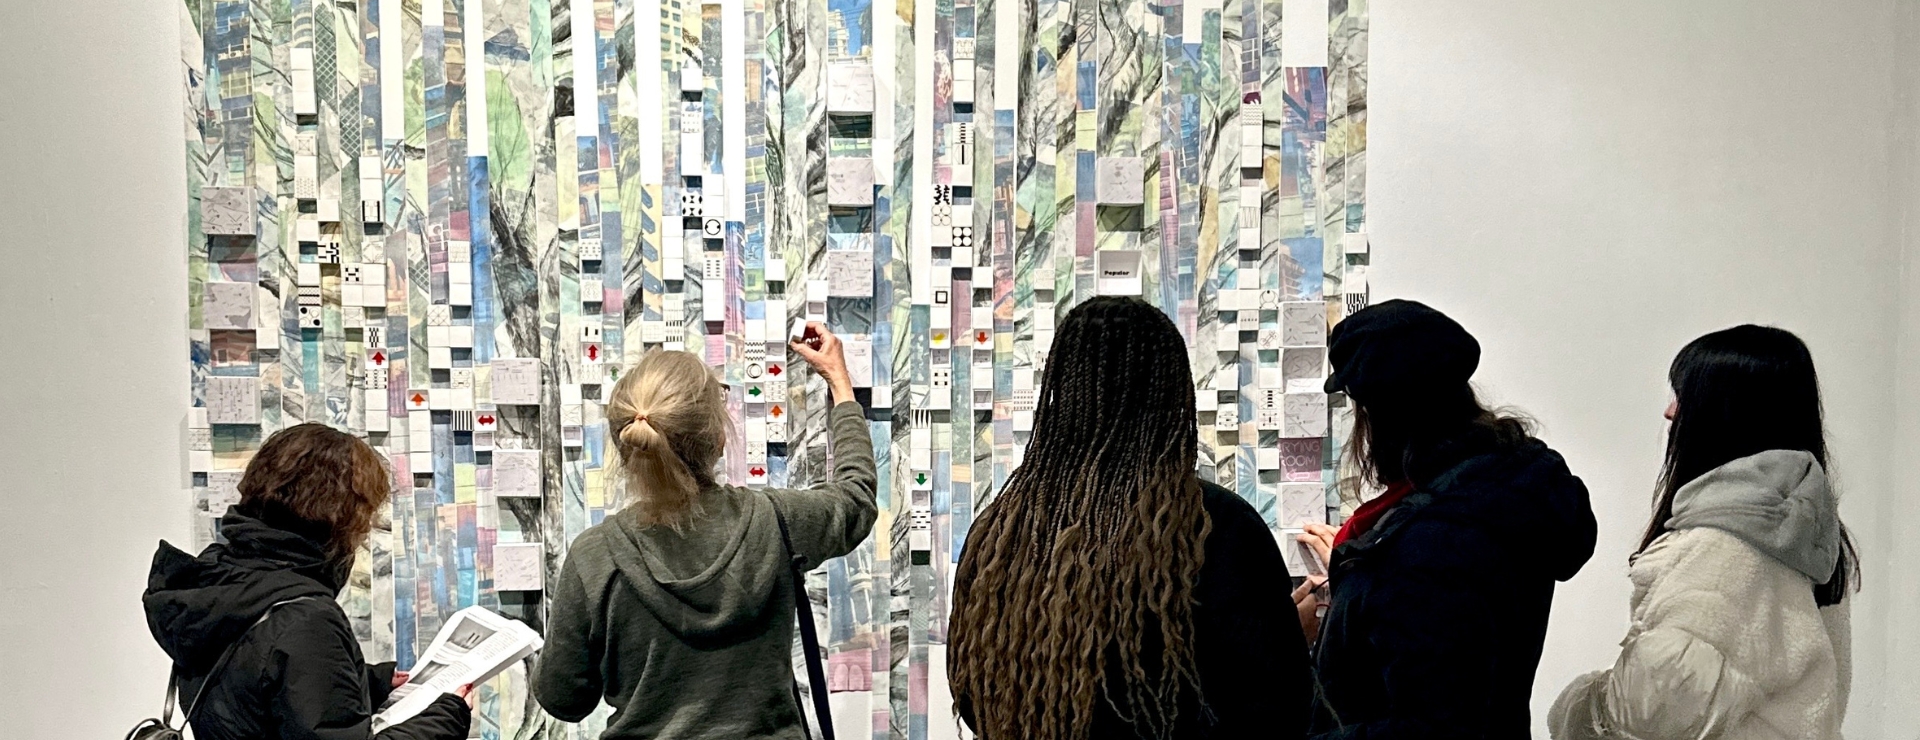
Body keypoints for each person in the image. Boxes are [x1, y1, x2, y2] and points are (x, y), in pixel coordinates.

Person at [948, 296, 1315, 740]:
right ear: (1172, 394)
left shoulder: (1001, 531)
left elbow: (974, 696)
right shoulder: (1213, 526)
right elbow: (1276, 708)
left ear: (1062, 392)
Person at [534, 324, 877, 739]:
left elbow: (563, 699)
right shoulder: (777, 520)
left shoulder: (594, 557)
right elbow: (857, 497)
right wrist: (840, 384)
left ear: (627, 448)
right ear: (717, 440)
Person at [1300, 299, 1597, 738]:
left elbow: (1431, 727)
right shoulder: (1506, 488)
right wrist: (1357, 570)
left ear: (1381, 418)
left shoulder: (1426, 549)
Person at [1549, 325, 1857, 740]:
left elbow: (1657, 702)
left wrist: (1576, 708)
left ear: (1726, 410)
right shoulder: (1807, 537)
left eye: (1684, 394)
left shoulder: (1725, 545)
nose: (1671, 411)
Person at [144, 423, 473, 740]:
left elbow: (257, 689)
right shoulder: (306, 619)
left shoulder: (220, 581)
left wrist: (372, 684)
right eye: (364, 514)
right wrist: (447, 717)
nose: (365, 532)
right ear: (340, 516)